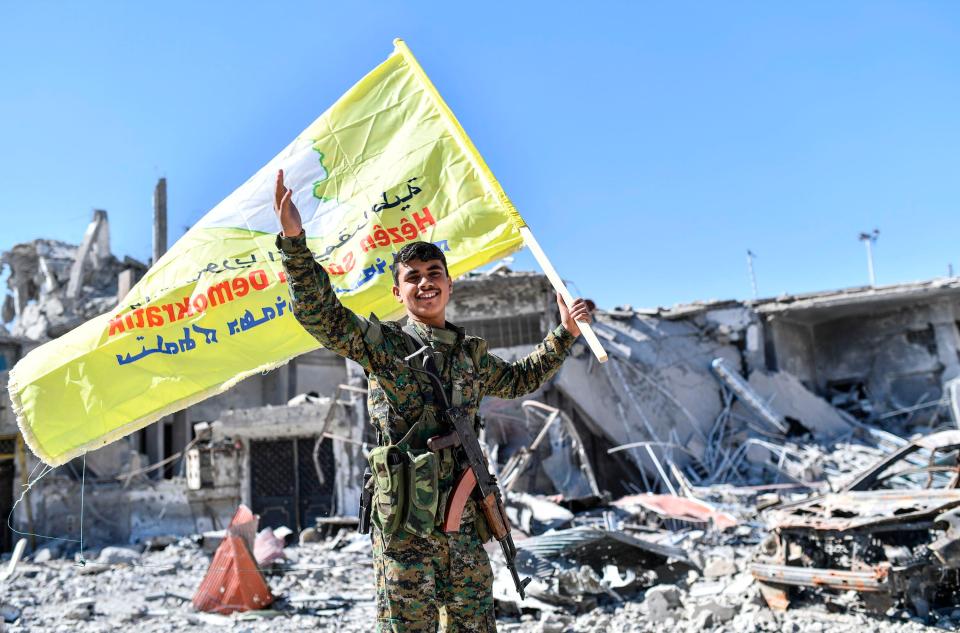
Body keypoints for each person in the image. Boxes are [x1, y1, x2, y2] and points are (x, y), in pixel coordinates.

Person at [273, 170, 591, 632]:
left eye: (434, 274)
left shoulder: (470, 354)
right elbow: (321, 315)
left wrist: (564, 335)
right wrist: (294, 242)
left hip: (462, 525)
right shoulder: (385, 346)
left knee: (474, 625)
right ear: (397, 292)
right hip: (406, 526)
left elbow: (522, 378)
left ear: (450, 284)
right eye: (413, 278)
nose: (425, 283)